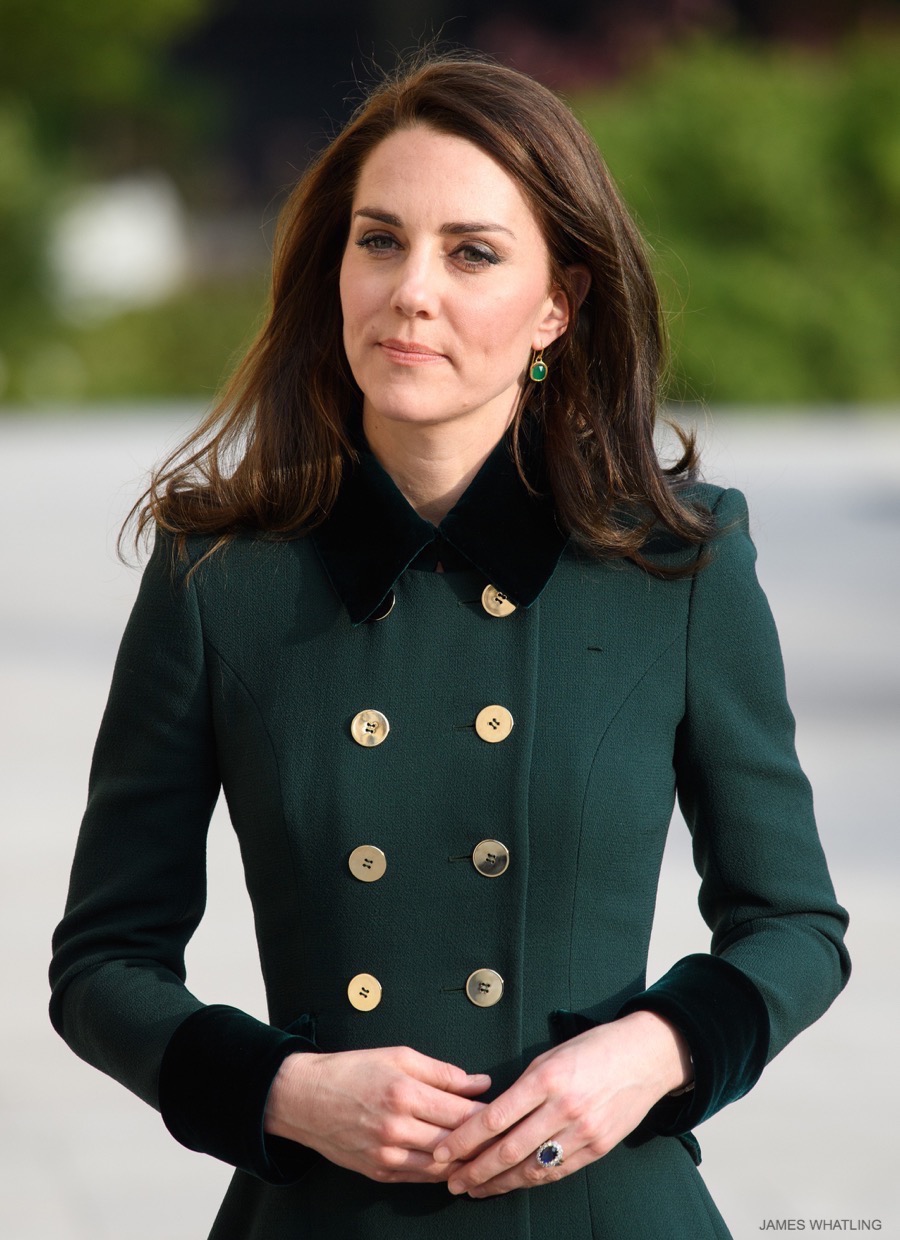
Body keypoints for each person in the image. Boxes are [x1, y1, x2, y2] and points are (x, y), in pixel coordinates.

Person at [49, 52, 850, 1239]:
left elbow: (795, 925)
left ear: (557, 305)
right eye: (379, 241)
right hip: (321, 1212)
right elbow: (105, 962)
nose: (410, 290)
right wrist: (283, 1092)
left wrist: (649, 1053)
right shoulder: (221, 575)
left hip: (599, 1205)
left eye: (471, 252)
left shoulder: (673, 561)